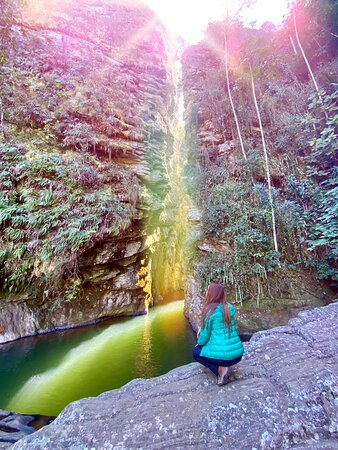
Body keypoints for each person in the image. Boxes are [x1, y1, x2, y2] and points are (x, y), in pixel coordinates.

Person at [192, 282, 244, 385]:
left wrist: (199, 342)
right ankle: (224, 367)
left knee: (196, 353)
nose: (206, 292)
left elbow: (204, 337)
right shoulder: (230, 308)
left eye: (207, 290)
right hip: (237, 355)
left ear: (212, 294)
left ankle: (220, 371)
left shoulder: (209, 311)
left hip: (224, 358)